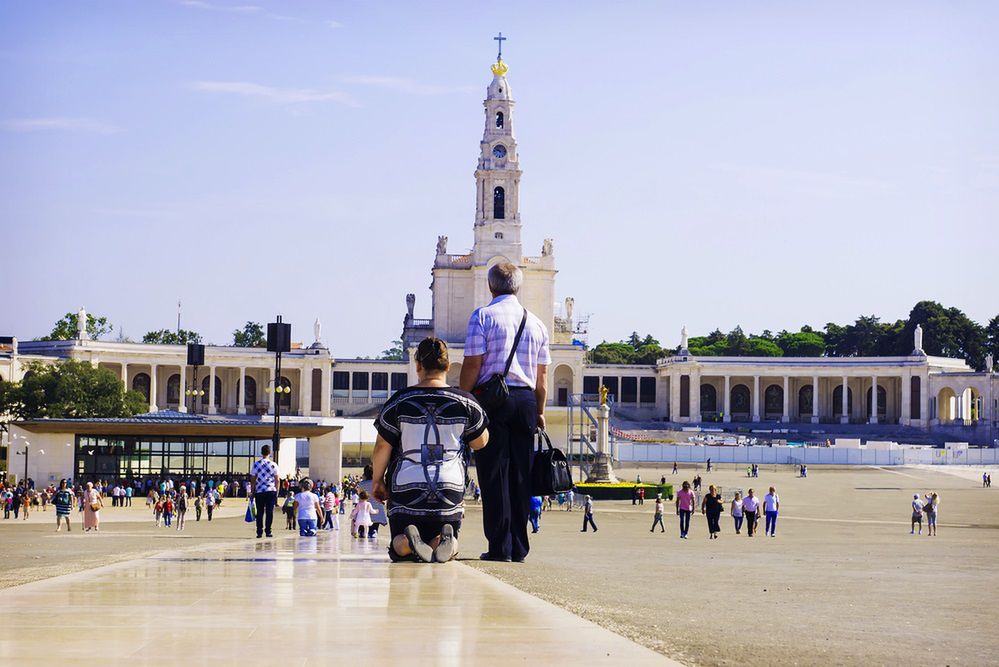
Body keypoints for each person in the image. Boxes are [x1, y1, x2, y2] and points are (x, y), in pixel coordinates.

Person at [459, 262, 550, 564]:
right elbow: (542, 379)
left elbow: (473, 364)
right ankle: (520, 547)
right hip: (525, 399)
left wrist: (465, 399)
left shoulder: (483, 316)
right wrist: (539, 411)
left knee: (494, 473)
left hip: (493, 399)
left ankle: (500, 546)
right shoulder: (537, 323)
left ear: (490, 286)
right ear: (518, 286)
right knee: (521, 474)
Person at [372, 336, 489, 563]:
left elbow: (382, 445)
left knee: (397, 544)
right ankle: (446, 541)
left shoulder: (399, 401)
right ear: (447, 366)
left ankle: (408, 542)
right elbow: (480, 442)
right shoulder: (466, 402)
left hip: (407, 487)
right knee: (448, 540)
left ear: (418, 366)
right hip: (449, 487)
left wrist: (378, 481)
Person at [249, 444, 280, 538]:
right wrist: (277, 491)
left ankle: (259, 531)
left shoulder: (256, 464)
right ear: (270, 453)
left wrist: (252, 491)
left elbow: (253, 479)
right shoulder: (274, 465)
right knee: (269, 512)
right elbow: (277, 479)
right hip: (271, 490)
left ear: (261, 453)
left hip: (259, 491)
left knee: (260, 512)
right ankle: (268, 531)